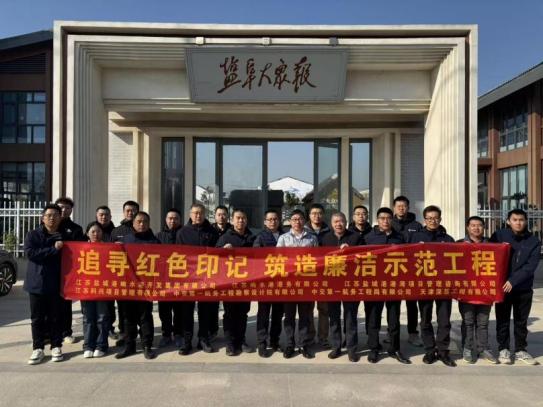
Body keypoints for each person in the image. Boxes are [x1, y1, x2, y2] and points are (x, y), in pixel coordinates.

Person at [491, 209, 541, 365]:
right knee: (503, 320)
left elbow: (530, 266)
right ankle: (503, 349)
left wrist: (513, 281)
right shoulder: (499, 236)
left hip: (523, 288)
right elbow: (488, 252)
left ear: (525, 221)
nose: (518, 223)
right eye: (515, 219)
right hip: (503, 288)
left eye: (521, 220)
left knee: (521, 321)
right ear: (508, 221)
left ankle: (520, 350)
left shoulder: (533, 241)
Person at [408, 205, 456, 367]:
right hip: (424, 285)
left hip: (443, 285)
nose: (432, 221)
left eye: (435, 218)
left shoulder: (448, 239)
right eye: (429, 218)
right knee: (425, 319)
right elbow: (408, 259)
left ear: (440, 219)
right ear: (424, 220)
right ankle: (429, 350)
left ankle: (443, 351)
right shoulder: (416, 238)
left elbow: (456, 260)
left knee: (444, 320)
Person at [364, 208, 411, 364]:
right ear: (377, 220)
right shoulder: (368, 237)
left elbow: (408, 258)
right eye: (382, 218)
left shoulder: (400, 237)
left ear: (392, 219)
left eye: (388, 218)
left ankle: (394, 348)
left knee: (394, 319)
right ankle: (373, 349)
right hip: (374, 285)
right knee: (373, 319)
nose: (385, 221)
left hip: (393, 285)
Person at [24, 204, 66, 365]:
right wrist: (53, 249)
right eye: (49, 215)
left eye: (55, 215)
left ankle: (56, 346)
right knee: (37, 318)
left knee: (56, 317)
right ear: (42, 218)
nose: (52, 218)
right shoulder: (33, 235)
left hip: (56, 283)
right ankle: (38, 348)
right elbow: (31, 254)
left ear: (60, 218)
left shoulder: (64, 236)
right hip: (36, 283)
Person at [320, 212, 363, 362]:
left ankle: (352, 349)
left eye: (341, 221)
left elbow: (364, 257)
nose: (338, 224)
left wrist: (350, 251)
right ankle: (336, 347)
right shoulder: (325, 238)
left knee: (350, 318)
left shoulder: (355, 237)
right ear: (331, 224)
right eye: (336, 221)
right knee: (334, 317)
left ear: (346, 222)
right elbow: (319, 259)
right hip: (332, 283)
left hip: (350, 283)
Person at [177, 203, 219, 353]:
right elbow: (178, 255)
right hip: (188, 278)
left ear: (205, 214)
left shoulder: (212, 232)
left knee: (205, 310)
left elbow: (217, 254)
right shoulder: (182, 232)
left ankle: (203, 339)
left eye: (201, 213)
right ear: (190, 214)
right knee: (186, 311)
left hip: (206, 277)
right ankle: (187, 341)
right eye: (195, 213)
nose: (198, 215)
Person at [115, 211, 158, 360]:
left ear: (149, 223)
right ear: (133, 223)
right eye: (139, 221)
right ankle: (129, 345)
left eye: (145, 221)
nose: (142, 224)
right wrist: (115, 248)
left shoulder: (155, 242)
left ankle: (147, 345)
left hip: (146, 287)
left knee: (145, 317)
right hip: (128, 286)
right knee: (128, 317)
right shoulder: (125, 240)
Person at [277, 209, 319, 359]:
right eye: (294, 219)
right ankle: (289, 344)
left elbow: (317, 259)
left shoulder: (312, 238)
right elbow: (277, 259)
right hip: (289, 284)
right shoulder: (283, 238)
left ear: (304, 220)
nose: (297, 222)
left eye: (300, 219)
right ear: (290, 221)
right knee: (289, 316)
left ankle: (303, 344)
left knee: (304, 316)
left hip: (305, 283)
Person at [457, 216, 498, 364]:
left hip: (485, 290)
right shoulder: (458, 244)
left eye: (479, 225)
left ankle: (483, 348)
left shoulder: (493, 245)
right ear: (468, 228)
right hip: (466, 290)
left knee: (483, 322)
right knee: (468, 321)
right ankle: (467, 348)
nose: (476, 228)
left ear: (484, 227)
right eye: (473, 225)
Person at [216, 208, 256, 356]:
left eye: (243, 218)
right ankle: (230, 343)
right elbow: (214, 258)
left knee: (243, 313)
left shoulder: (252, 238)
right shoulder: (225, 238)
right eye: (238, 218)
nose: (240, 220)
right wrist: (223, 250)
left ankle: (241, 340)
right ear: (232, 220)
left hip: (246, 282)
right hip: (229, 283)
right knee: (230, 314)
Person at [391, 195, 423, 347]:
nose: (401, 208)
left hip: (412, 270)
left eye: (404, 206)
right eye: (398, 206)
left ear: (408, 208)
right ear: (394, 208)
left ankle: (413, 333)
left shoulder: (416, 225)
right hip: (393, 269)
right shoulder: (389, 223)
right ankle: (392, 333)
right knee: (393, 304)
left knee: (412, 304)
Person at [253, 209, 285, 358]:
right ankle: (262, 343)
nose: (273, 222)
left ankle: (275, 341)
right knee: (263, 314)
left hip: (281, 282)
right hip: (265, 282)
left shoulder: (286, 236)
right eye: (270, 219)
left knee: (278, 314)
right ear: (265, 222)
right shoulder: (260, 237)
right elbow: (256, 257)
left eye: (275, 219)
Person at [54, 197, 86, 345]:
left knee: (65, 303)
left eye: (67, 208)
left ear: (71, 210)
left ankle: (66, 332)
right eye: (61, 207)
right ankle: (49, 333)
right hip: (50, 270)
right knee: (49, 303)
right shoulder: (48, 227)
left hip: (68, 271)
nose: (64, 210)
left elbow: (80, 249)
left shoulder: (76, 229)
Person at [110, 200, 139, 346]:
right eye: (128, 210)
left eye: (133, 210)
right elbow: (108, 252)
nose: (130, 213)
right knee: (122, 308)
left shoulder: (142, 229)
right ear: (123, 212)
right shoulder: (116, 231)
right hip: (122, 276)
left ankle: (140, 333)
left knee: (140, 308)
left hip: (139, 276)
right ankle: (124, 333)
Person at [80, 222, 110, 358]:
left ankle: (101, 345)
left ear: (102, 233)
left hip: (102, 288)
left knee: (102, 317)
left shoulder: (109, 248)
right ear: (87, 233)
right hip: (86, 288)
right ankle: (88, 346)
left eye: (98, 231)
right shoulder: (81, 249)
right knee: (88, 318)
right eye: (92, 231)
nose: (96, 234)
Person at [156, 209, 184, 351]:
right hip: (163, 280)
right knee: (164, 310)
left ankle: (178, 334)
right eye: (170, 218)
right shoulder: (159, 236)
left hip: (181, 279)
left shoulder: (184, 235)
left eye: (175, 218)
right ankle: (166, 334)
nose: (172, 221)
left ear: (180, 220)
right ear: (165, 220)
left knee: (179, 310)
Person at [305, 203, 331, 349]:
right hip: (308, 274)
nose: (317, 216)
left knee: (324, 309)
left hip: (324, 275)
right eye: (314, 213)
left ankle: (323, 337)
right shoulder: (302, 230)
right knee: (308, 308)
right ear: (309, 215)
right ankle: (310, 336)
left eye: (319, 213)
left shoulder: (329, 230)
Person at [88, 205, 116, 338]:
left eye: (106, 215)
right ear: (96, 216)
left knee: (109, 305)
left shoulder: (115, 232)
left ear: (111, 216)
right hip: (92, 276)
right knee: (92, 309)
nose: (104, 217)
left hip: (109, 275)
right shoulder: (91, 231)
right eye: (101, 215)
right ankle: (93, 332)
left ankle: (109, 328)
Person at [209, 205, 231, 339]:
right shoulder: (209, 231)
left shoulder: (232, 231)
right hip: (213, 272)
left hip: (229, 273)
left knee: (229, 305)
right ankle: (213, 330)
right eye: (219, 214)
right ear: (215, 216)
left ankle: (230, 333)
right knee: (212, 305)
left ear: (227, 216)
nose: (221, 217)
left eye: (224, 214)